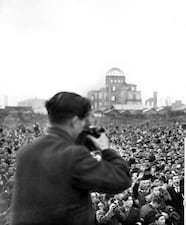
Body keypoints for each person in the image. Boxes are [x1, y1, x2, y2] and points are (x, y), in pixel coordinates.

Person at [10, 92, 132, 225]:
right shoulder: (74, 155)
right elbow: (121, 179)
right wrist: (106, 149)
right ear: (74, 122)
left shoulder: (26, 152)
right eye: (85, 121)